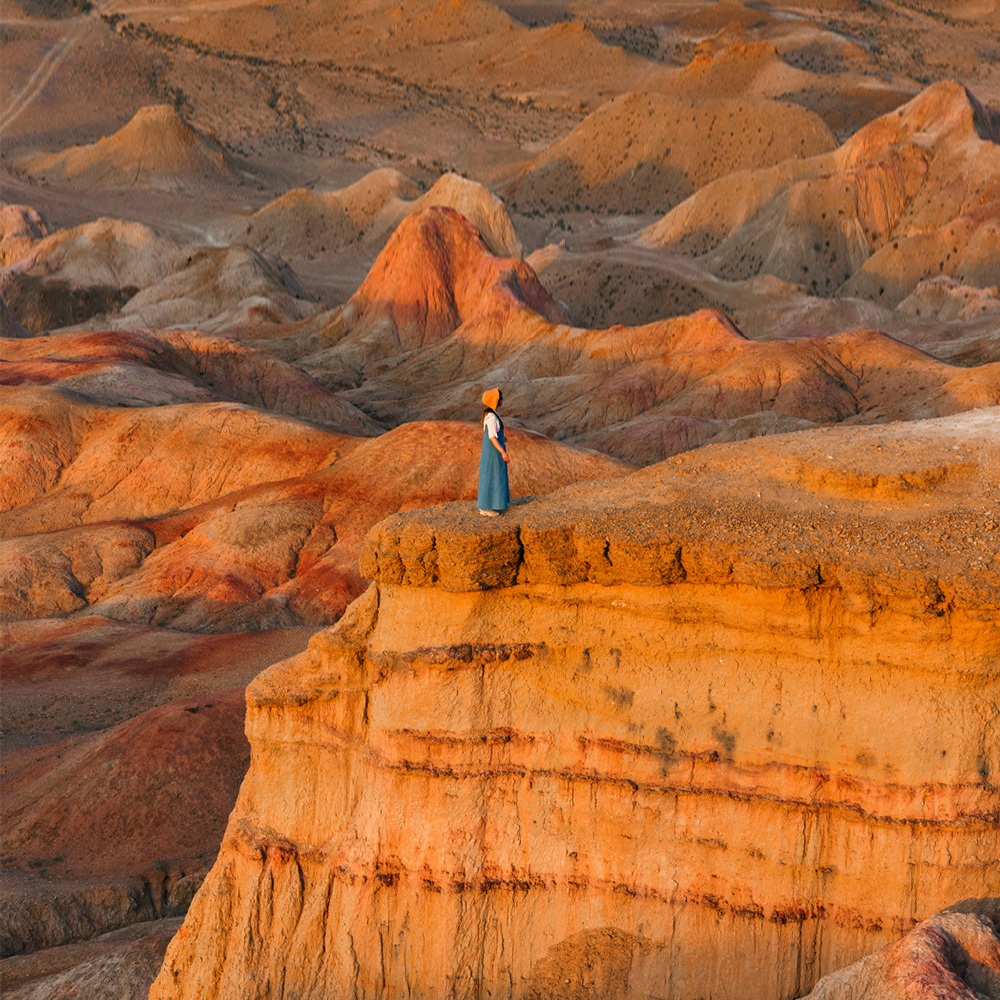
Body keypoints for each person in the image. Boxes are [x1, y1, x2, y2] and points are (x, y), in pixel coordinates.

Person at [477, 387, 509, 516]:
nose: (502, 400)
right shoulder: (491, 417)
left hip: (492, 452)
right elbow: (491, 436)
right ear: (496, 400)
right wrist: (503, 452)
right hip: (492, 452)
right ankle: (486, 507)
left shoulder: (492, 415)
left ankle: (492, 504)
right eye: (500, 398)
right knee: (491, 475)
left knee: (493, 475)